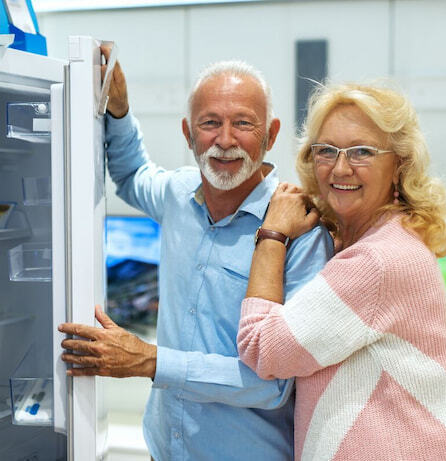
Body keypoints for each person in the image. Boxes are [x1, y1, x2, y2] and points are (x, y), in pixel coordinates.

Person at [58, 50, 333, 460]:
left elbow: (273, 382)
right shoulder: (177, 195)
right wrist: (118, 111)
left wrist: (150, 361)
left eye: (243, 123)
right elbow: (133, 175)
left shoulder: (300, 231)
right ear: (188, 134)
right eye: (210, 124)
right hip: (163, 449)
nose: (224, 141)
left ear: (271, 135)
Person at [237, 82, 446, 460]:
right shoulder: (382, 240)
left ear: (399, 164)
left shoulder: (376, 262)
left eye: (362, 151)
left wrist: (272, 233)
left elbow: (262, 347)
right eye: (327, 150)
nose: (340, 166)